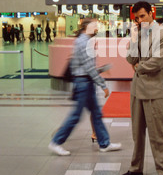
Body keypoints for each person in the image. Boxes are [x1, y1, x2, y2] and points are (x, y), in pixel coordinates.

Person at [119, 1, 163, 175]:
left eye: (142, 16)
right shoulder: (138, 34)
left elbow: (157, 63)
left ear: (151, 13)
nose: (140, 20)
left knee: (159, 134)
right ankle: (136, 168)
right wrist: (133, 39)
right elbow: (130, 59)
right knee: (137, 133)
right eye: (137, 18)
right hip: (137, 91)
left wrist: (138, 67)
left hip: (154, 91)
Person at [48, 18, 121, 156]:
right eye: (94, 26)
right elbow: (89, 67)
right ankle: (56, 142)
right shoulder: (83, 42)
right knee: (76, 115)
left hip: (86, 82)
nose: (96, 29)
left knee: (96, 113)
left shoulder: (84, 41)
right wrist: (103, 85)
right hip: (83, 83)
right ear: (86, 27)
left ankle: (104, 143)